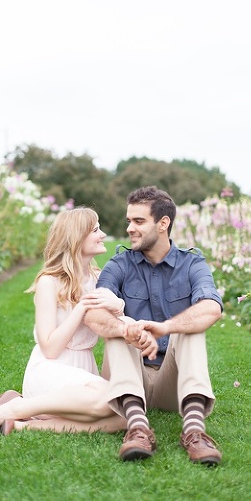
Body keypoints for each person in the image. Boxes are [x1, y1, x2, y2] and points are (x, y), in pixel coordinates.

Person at [0, 207, 156, 435]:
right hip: (50, 369)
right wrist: (80, 308)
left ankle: (23, 425)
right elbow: (50, 349)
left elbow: (113, 323)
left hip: (84, 370)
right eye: (96, 230)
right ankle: (17, 406)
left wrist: (117, 305)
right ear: (76, 238)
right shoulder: (49, 283)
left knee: (125, 416)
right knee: (105, 397)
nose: (103, 235)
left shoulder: (99, 279)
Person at [83, 186, 223, 465]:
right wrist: (128, 329)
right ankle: (137, 427)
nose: (130, 229)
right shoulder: (119, 264)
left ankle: (194, 431)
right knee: (119, 323)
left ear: (163, 223)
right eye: (129, 221)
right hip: (129, 380)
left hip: (173, 383)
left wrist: (166, 327)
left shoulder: (192, 263)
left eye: (138, 221)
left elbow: (212, 309)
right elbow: (93, 314)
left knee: (189, 326)